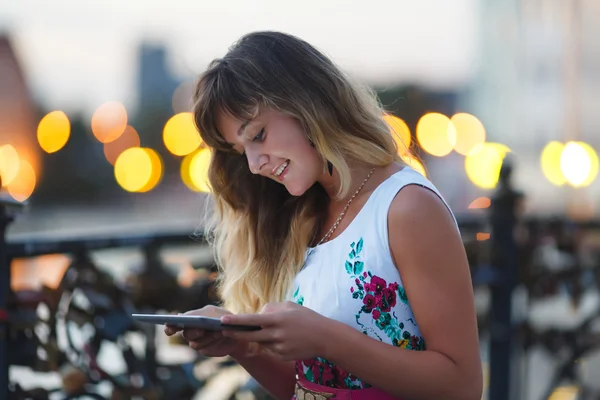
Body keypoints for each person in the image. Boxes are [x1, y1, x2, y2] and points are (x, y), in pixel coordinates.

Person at [165, 31, 483, 400]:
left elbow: (462, 386)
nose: (253, 165)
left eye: (259, 135)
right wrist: (240, 343)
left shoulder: (406, 207)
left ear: (306, 102)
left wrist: (325, 337)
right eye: (241, 150)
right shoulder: (306, 215)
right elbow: (312, 389)